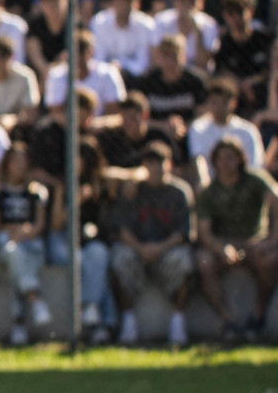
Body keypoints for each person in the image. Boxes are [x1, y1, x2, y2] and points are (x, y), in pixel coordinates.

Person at [104, 141, 196, 347]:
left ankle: (178, 322)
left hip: (167, 248)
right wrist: (141, 248)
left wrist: (159, 248)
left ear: (169, 164)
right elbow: (122, 229)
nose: (156, 168)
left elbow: (184, 233)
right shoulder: (132, 190)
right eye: (151, 163)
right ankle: (128, 321)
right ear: (143, 166)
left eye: (160, 162)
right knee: (119, 257)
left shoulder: (179, 191)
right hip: (138, 248)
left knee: (184, 260)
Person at [192, 138, 277, 343]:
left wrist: (272, 241)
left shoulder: (256, 180)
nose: (226, 163)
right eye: (221, 158)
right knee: (203, 261)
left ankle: (258, 316)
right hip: (223, 244)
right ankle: (228, 321)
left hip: (254, 242)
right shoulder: (209, 191)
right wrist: (221, 249)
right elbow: (203, 232)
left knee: (270, 260)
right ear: (214, 162)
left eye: (231, 157)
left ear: (240, 159)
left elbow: (276, 201)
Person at [0, 144, 53, 346]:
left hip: (29, 243)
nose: (20, 166)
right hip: (4, 242)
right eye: (16, 161)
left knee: (15, 259)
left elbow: (40, 225)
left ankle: (18, 324)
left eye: (24, 162)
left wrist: (26, 233)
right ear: (7, 164)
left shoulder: (37, 192)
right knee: (10, 250)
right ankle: (35, 298)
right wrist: (14, 231)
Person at [188, 78, 264, 182]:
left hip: (244, 187)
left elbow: (255, 166)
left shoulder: (248, 130)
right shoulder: (198, 128)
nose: (219, 107)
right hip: (213, 187)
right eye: (215, 102)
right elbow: (199, 160)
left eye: (224, 102)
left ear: (234, 103)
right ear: (209, 102)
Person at [90, 0, 158, 79]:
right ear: (113, 2)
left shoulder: (146, 25)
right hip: (104, 76)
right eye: (120, 0)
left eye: (127, 1)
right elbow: (98, 58)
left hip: (134, 78)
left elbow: (143, 63)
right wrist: (111, 69)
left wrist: (123, 67)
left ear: (137, 4)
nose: (123, 6)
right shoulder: (99, 22)